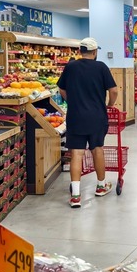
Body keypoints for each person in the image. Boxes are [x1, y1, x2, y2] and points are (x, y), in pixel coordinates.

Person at [57, 37, 119, 208]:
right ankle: (101, 186)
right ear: (95, 52)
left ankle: (76, 196)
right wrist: (110, 104)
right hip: (97, 116)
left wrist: (72, 101)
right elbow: (113, 90)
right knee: (97, 149)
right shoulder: (101, 67)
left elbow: (61, 88)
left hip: (76, 116)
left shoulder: (70, 67)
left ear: (79, 51)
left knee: (76, 153)